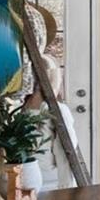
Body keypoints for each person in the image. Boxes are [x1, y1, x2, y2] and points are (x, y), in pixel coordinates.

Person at [22, 54, 79, 190]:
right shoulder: (24, 105)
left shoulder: (54, 109)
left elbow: (66, 149)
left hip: (40, 173)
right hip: (32, 170)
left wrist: (66, 185)